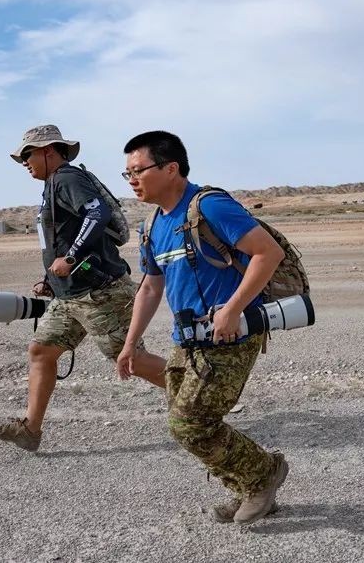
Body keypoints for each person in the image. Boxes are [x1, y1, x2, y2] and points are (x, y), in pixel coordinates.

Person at [118, 130, 289, 525]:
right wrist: (131, 344)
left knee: (190, 423)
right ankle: (249, 485)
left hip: (232, 334)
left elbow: (268, 253)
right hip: (189, 340)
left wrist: (232, 308)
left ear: (170, 168)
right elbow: (149, 287)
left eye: (137, 170)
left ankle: (263, 476)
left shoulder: (209, 205)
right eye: (126, 173)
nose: (131, 180)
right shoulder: (152, 226)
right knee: (189, 420)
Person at [0, 124, 167, 452]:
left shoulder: (67, 178)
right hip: (68, 294)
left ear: (49, 151)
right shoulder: (53, 185)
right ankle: (30, 430)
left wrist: (70, 257)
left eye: (28, 154)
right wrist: (50, 277)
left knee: (130, 360)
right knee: (41, 351)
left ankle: (200, 398)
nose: (25, 161)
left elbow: (95, 214)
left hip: (99, 291)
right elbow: (61, 236)